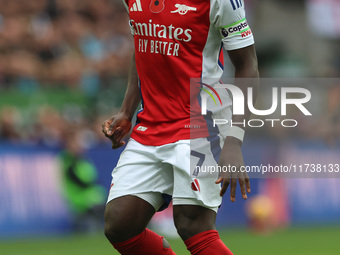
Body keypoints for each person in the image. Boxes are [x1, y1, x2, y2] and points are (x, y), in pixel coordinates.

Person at [102, 0, 259, 254]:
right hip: (150, 125)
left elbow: (247, 65)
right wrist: (127, 110)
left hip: (201, 123)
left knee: (192, 225)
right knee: (120, 225)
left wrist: (234, 140)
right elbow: (142, 44)